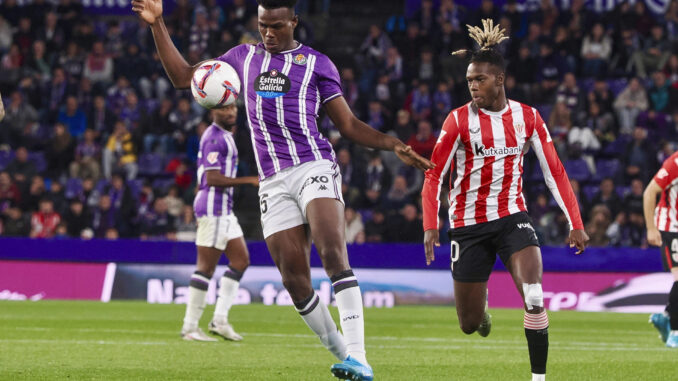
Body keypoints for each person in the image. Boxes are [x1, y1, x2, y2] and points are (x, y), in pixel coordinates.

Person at [132, 0, 432, 379]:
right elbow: (184, 78)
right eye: (263, 26)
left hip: (313, 165)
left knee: (331, 250)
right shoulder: (242, 58)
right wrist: (157, 23)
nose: (269, 34)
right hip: (273, 180)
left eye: (276, 26)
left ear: (293, 21)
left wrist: (392, 143)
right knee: (294, 281)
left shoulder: (318, 64)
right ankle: (346, 358)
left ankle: (359, 355)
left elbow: (350, 125)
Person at [421, 20, 589, 381]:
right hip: (467, 226)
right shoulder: (457, 121)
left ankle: (538, 378)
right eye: (469, 81)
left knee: (533, 293)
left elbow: (555, 171)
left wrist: (575, 222)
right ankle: (481, 310)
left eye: (479, 80)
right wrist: (431, 224)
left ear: (499, 80)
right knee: (468, 325)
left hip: (513, 216)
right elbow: (434, 174)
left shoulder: (528, 117)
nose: (473, 86)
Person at [181, 104, 258, 342]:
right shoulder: (215, 138)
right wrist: (249, 180)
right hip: (214, 208)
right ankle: (190, 327)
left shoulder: (225, 136)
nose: (231, 112)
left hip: (223, 209)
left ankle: (220, 321)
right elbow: (212, 178)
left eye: (233, 107)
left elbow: (202, 176)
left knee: (240, 260)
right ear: (212, 112)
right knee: (205, 268)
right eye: (224, 108)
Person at [644, 151, 678, 348]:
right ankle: (675, 331)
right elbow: (649, 192)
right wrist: (651, 228)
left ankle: (666, 315)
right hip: (671, 228)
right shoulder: (674, 162)